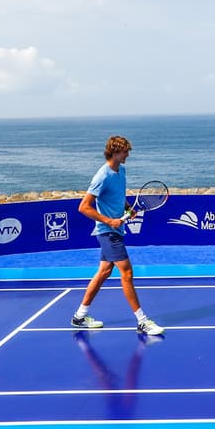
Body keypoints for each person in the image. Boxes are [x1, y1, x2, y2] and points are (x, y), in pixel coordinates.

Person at [71, 135, 165, 336]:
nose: (128, 155)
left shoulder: (121, 170)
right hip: (108, 232)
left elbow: (118, 197)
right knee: (127, 273)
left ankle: (79, 316)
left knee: (104, 271)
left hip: (116, 230)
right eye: (125, 151)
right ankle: (142, 321)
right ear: (115, 152)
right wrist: (109, 221)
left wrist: (128, 208)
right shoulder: (102, 176)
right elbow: (83, 207)